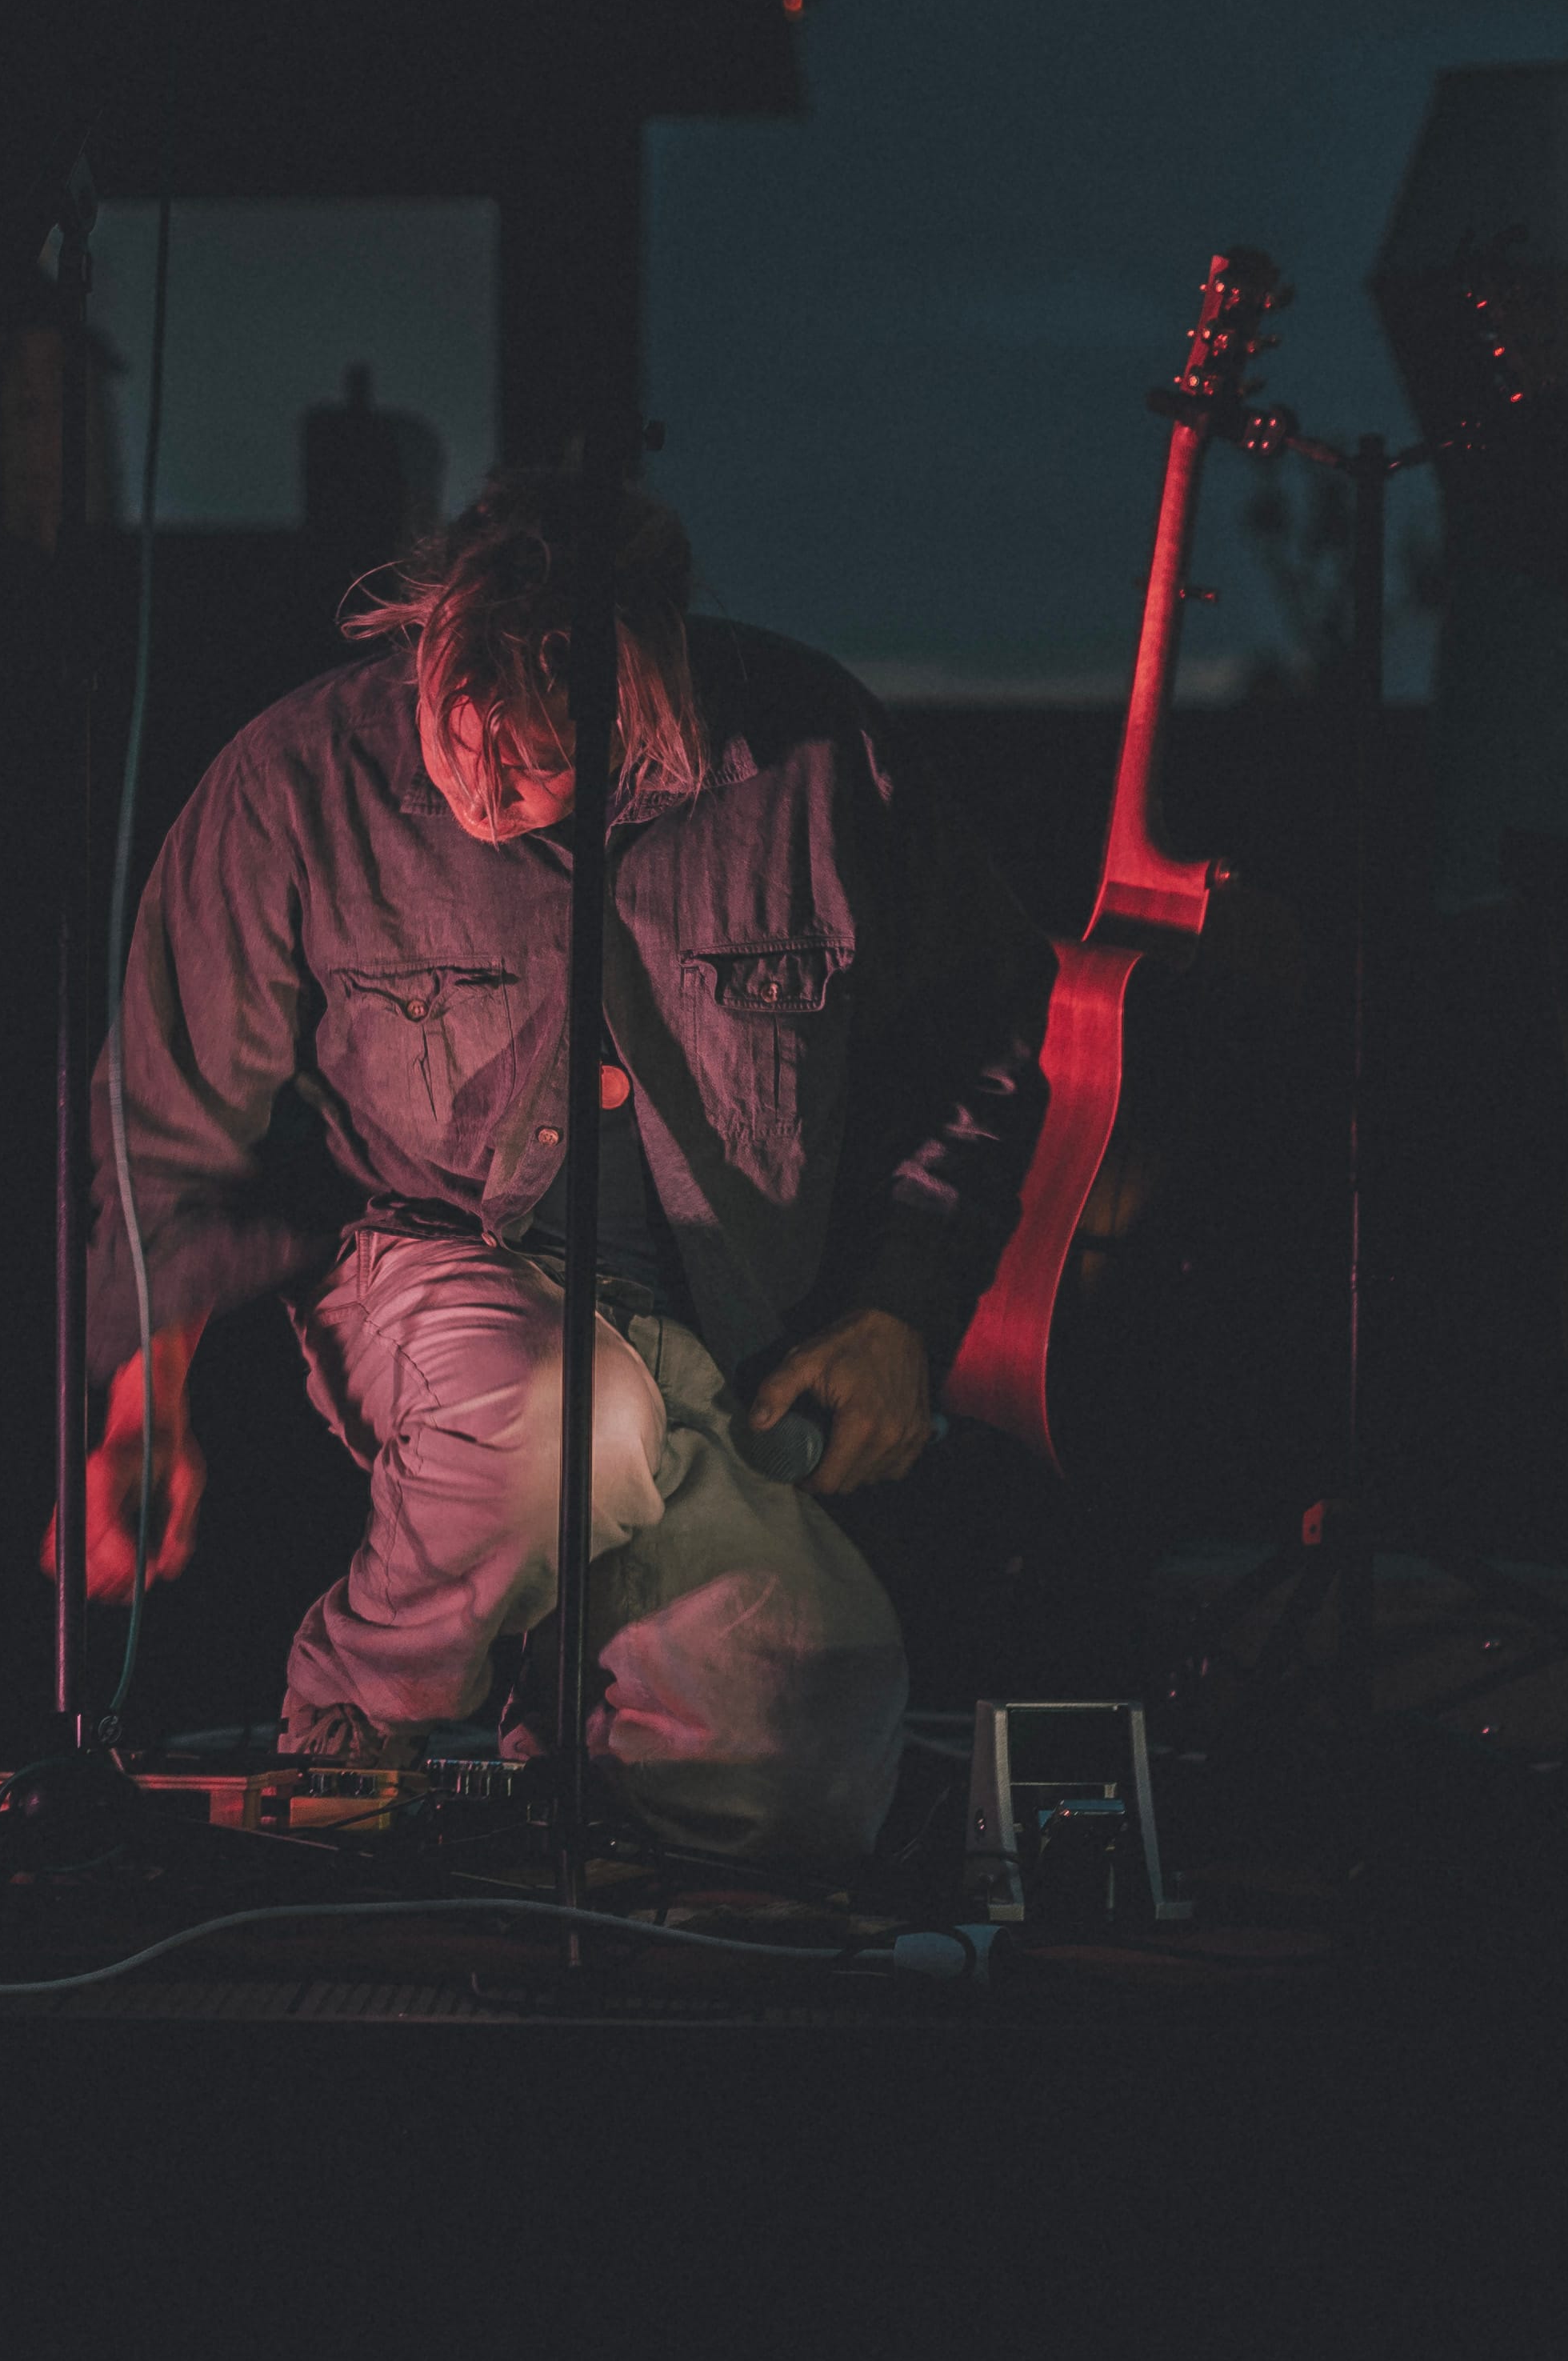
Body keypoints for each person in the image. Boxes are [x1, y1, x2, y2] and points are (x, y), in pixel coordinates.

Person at [70, 473, 1054, 1863]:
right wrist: (140, 1405)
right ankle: (350, 1729)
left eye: (529, 761)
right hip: (424, 1266)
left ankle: (581, 1864)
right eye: (451, 732)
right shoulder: (298, 782)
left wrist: (907, 1303)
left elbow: (1000, 1028)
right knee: (566, 1413)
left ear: (648, 711)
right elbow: (166, 1122)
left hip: (717, 1328)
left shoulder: (818, 764)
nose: (476, 779)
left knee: (806, 1747)